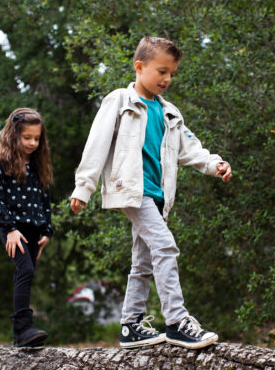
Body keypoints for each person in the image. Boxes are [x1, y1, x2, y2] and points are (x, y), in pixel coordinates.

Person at [71, 36, 232, 349]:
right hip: (132, 191)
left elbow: (191, 149)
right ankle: (177, 321)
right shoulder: (119, 101)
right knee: (165, 247)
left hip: (158, 198)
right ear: (139, 67)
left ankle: (131, 325)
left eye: (171, 73)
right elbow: (97, 144)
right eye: (161, 71)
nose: (167, 79)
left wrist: (216, 164)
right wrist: (84, 187)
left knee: (143, 262)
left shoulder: (170, 113)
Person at [0, 108, 53, 347]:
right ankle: (24, 328)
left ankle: (21, 337)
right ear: (13, 135)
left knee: (24, 275)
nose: (32, 143)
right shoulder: (3, 164)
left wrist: (47, 231)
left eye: (37, 138)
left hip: (34, 230)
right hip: (13, 231)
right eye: (27, 137)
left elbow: (45, 200)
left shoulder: (39, 166)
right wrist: (9, 229)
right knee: (25, 270)